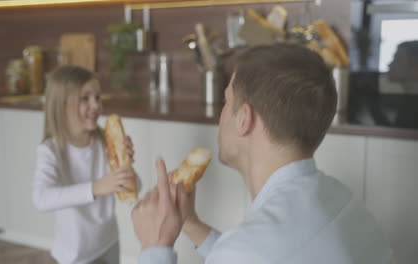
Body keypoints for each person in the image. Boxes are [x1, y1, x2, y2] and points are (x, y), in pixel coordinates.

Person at [131, 44, 394, 264]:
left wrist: (155, 247)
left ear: (244, 118)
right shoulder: (343, 199)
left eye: (226, 101)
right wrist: (191, 223)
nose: (222, 115)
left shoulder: (247, 251)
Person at [32, 65, 137, 264]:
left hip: (108, 242)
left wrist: (126, 163)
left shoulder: (103, 143)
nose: (96, 105)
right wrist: (96, 187)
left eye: (97, 97)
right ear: (62, 105)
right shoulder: (50, 150)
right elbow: (41, 199)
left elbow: (134, 188)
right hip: (75, 254)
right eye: (85, 98)